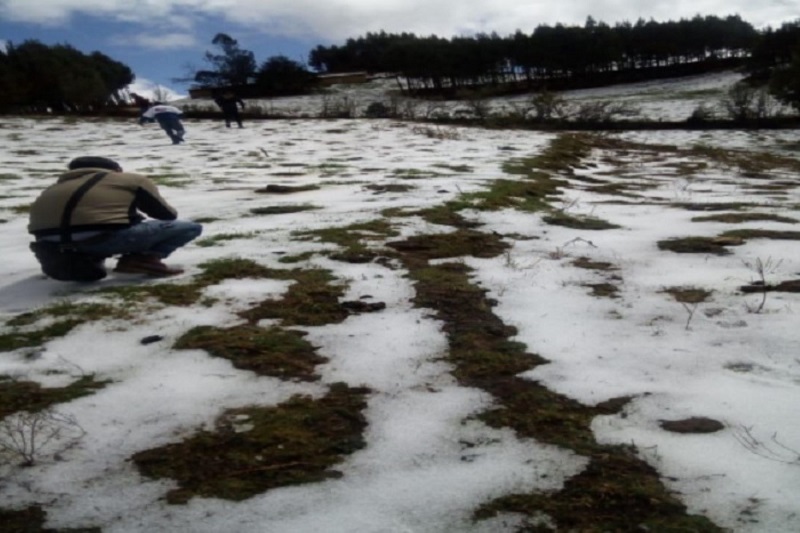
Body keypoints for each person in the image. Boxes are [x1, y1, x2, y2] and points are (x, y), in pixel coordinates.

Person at [28, 156, 202, 278]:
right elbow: (166, 215)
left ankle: (83, 258)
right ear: (117, 169)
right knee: (189, 227)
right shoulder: (130, 179)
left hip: (51, 246)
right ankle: (142, 260)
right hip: (102, 240)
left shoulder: (54, 188)